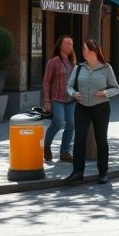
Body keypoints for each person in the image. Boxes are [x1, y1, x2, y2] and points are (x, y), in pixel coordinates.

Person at [65, 39, 119, 184]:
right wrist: (73, 94)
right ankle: (77, 172)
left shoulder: (106, 68)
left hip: (101, 107)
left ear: (95, 51)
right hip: (82, 107)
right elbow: (69, 86)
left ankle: (103, 172)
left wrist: (104, 93)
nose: (85, 53)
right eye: (83, 50)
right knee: (79, 139)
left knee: (101, 139)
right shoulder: (78, 68)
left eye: (87, 50)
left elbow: (116, 88)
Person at [42, 35, 76, 163]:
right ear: (60, 46)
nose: (70, 46)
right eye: (67, 43)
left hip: (70, 99)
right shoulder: (53, 62)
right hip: (56, 98)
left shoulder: (72, 63)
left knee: (71, 124)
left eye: (71, 44)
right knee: (58, 122)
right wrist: (46, 100)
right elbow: (46, 81)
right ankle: (46, 146)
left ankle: (64, 152)